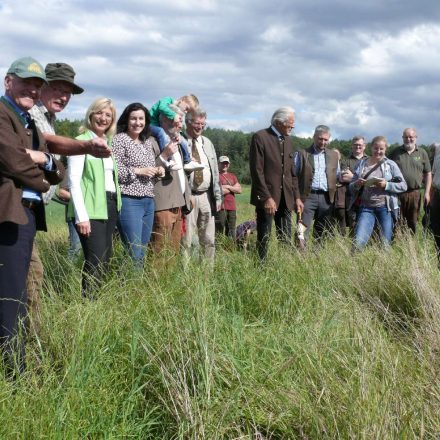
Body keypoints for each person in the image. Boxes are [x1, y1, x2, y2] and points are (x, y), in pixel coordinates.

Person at [0, 57, 64, 373]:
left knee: (21, 293)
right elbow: (12, 162)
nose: (33, 89)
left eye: (38, 85)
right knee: (10, 297)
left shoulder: (27, 122)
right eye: (26, 81)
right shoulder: (2, 114)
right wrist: (40, 172)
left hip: (26, 217)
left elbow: (58, 169)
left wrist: (44, 160)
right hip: (8, 216)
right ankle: (12, 372)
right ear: (8, 81)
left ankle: (18, 361)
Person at [27, 62, 84, 330]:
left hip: (31, 210)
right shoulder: (29, 113)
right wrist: (85, 146)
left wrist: (62, 193)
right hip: (17, 208)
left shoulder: (49, 116)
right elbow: (46, 141)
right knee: (30, 277)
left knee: (32, 275)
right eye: (58, 88)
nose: (63, 96)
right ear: (42, 87)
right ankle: (26, 344)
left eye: (68, 92)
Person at [67, 98, 121, 297]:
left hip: (110, 204)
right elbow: (73, 180)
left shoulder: (108, 144)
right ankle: (88, 304)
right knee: (95, 260)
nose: (103, 118)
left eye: (108, 115)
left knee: (106, 259)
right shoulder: (81, 142)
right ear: (91, 114)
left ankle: (99, 305)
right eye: (99, 113)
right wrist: (81, 216)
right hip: (90, 208)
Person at [112, 103, 164, 264]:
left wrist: (157, 172)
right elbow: (114, 171)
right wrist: (138, 170)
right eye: (133, 118)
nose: (137, 122)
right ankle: (129, 287)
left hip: (148, 200)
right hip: (129, 200)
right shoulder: (119, 140)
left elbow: (148, 176)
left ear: (146, 121)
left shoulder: (146, 142)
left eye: (141, 119)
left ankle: (137, 287)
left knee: (141, 251)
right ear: (126, 120)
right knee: (133, 251)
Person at [249, 107, 302, 261]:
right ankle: (261, 266)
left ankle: (283, 265)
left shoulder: (289, 141)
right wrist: (266, 197)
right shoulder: (260, 137)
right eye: (289, 124)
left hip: (287, 198)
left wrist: (297, 197)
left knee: (285, 236)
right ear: (279, 122)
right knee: (264, 235)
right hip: (268, 199)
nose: (292, 127)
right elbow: (256, 171)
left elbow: (292, 173)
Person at [350, 136, 407, 250]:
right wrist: (357, 184)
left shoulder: (391, 165)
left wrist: (386, 185)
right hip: (366, 208)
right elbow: (351, 187)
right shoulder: (361, 164)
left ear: (385, 149)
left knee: (385, 244)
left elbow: (403, 186)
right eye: (376, 148)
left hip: (386, 208)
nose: (378, 151)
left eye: (381, 149)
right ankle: (354, 266)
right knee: (358, 242)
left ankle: (385, 266)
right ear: (371, 148)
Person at [150, 105, 191, 255]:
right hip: (162, 207)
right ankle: (155, 280)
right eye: (179, 121)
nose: (181, 125)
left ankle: (169, 279)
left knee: (173, 254)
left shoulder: (177, 141)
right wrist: (165, 155)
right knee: (158, 254)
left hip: (178, 204)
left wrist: (187, 197)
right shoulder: (152, 141)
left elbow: (181, 174)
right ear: (166, 120)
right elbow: (147, 172)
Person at [182, 108, 222, 262]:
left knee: (209, 239)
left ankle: (207, 274)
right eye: (197, 123)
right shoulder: (180, 141)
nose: (200, 127)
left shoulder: (207, 143)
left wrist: (218, 197)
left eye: (203, 124)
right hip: (188, 196)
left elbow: (215, 172)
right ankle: (185, 274)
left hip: (206, 196)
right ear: (188, 122)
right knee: (186, 241)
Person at [295, 125, 341, 245]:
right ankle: (300, 255)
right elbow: (293, 177)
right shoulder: (302, 153)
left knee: (321, 230)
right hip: (307, 197)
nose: (323, 142)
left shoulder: (334, 156)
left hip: (327, 198)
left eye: (326, 139)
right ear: (314, 137)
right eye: (320, 139)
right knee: (301, 229)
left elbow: (338, 175)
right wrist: (297, 197)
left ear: (329, 139)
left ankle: (317, 256)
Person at [389, 128, 432, 234]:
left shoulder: (422, 153)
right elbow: (386, 169)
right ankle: (397, 244)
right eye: (406, 137)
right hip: (397, 193)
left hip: (415, 193)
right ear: (402, 138)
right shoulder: (395, 152)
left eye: (411, 137)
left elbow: (428, 173)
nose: (408, 139)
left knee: (413, 220)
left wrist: (427, 193)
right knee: (397, 219)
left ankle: (410, 245)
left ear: (416, 138)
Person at [149, 95, 203, 172]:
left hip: (158, 126)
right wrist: (174, 115)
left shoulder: (174, 109)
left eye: (181, 121)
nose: (186, 112)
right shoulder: (167, 100)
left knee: (182, 140)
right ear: (182, 100)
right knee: (161, 132)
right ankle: (169, 160)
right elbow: (161, 107)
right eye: (187, 108)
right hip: (149, 124)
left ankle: (187, 160)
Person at [340, 136, 369, 232]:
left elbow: (371, 178)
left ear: (364, 146)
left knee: (365, 223)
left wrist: (352, 177)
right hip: (351, 197)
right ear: (352, 146)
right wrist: (362, 179)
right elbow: (344, 177)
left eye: (360, 145)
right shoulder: (345, 161)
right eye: (355, 145)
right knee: (352, 223)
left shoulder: (369, 160)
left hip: (366, 197)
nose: (358, 147)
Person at [215, 156, 242, 238]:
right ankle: (218, 249)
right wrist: (233, 188)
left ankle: (230, 249)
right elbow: (218, 191)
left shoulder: (232, 176)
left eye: (226, 163)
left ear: (229, 164)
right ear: (218, 164)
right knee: (219, 230)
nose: (225, 165)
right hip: (220, 207)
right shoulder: (216, 176)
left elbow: (239, 190)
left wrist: (228, 187)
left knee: (231, 230)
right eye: (223, 163)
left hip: (232, 207)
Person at [428, 142, 440, 262]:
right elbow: (433, 174)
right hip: (437, 195)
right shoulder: (438, 148)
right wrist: (430, 197)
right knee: (436, 230)